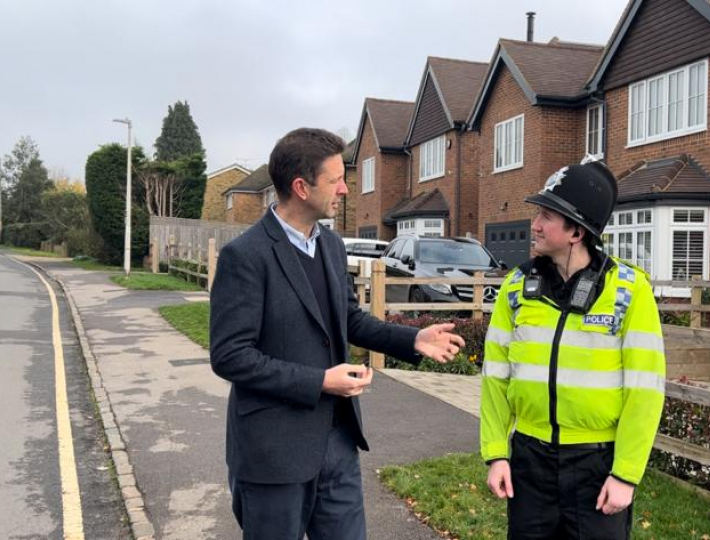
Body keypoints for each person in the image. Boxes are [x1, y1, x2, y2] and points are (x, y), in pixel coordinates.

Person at [210, 127, 465, 540]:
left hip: (337, 443)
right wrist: (319, 381)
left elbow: (348, 319)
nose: (345, 189)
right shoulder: (246, 256)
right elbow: (230, 356)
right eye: (335, 180)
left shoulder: (330, 245)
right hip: (273, 453)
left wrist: (412, 339)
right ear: (301, 187)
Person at [480, 158, 665, 539]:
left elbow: (645, 391)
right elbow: (495, 376)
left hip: (597, 466)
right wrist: (497, 452)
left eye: (547, 215)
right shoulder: (516, 289)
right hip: (529, 462)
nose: (535, 224)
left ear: (577, 231)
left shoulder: (630, 293)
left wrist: (625, 474)